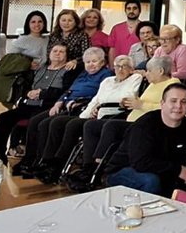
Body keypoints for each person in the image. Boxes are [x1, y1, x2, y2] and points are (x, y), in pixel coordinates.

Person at [76, 55, 181, 180]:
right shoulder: (153, 84)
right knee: (91, 125)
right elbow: (140, 104)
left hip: (146, 126)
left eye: (149, 71)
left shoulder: (172, 85)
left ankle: (99, 165)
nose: (146, 74)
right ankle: (88, 165)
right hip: (133, 120)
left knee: (112, 126)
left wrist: (141, 104)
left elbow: (168, 109)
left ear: (160, 71)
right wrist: (128, 104)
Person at [21, 47, 112, 181]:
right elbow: (69, 91)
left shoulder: (106, 75)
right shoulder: (83, 74)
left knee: (55, 123)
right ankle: (38, 161)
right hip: (66, 105)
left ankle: (53, 165)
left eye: (94, 61)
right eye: (88, 62)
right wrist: (59, 102)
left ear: (102, 62)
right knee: (38, 122)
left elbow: (100, 96)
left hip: (82, 108)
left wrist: (78, 102)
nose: (91, 65)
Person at [105, 83, 186, 195]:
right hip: (124, 170)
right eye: (173, 101)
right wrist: (178, 170)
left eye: (184, 101)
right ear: (162, 104)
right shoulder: (145, 126)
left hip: (161, 170)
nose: (178, 106)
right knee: (150, 181)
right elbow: (140, 162)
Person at [57, 56, 143, 187]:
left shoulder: (135, 78)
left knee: (92, 126)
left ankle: (94, 168)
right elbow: (97, 99)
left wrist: (102, 104)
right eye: (117, 66)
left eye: (124, 66)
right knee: (79, 123)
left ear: (131, 69)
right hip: (100, 114)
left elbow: (126, 97)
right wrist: (85, 114)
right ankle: (77, 166)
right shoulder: (107, 81)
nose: (120, 69)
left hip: (117, 114)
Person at [0, 44, 73, 165]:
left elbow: (65, 90)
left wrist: (42, 93)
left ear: (67, 55)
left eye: (62, 52)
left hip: (47, 105)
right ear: (49, 53)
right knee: (3, 118)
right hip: (28, 104)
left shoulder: (67, 71)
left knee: (35, 121)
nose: (57, 53)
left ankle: (30, 159)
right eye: (55, 51)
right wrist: (28, 93)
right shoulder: (40, 68)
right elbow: (26, 86)